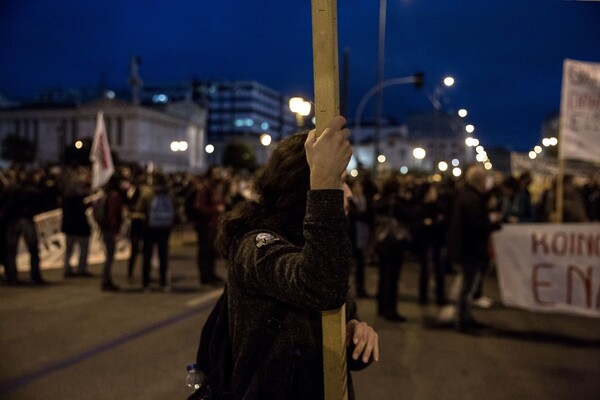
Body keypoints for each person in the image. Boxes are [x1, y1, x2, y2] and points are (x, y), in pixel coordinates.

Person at [215, 116, 379, 400]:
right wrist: (325, 186)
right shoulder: (255, 246)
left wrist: (354, 333)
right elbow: (320, 286)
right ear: (305, 189)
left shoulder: (318, 242)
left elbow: (334, 309)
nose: (349, 194)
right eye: (340, 181)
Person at [447, 165, 501, 333]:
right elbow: (476, 225)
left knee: (468, 286)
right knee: (467, 287)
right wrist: (493, 224)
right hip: (470, 249)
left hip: (469, 248)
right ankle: (463, 320)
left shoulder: (469, 196)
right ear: (480, 181)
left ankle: (466, 317)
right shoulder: (471, 199)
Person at [372, 173, 412, 322]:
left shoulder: (378, 200)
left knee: (383, 275)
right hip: (394, 242)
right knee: (393, 277)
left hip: (381, 240)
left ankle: (381, 306)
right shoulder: (395, 202)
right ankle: (391, 309)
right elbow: (408, 215)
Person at [2, 170, 47, 285]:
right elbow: (41, 203)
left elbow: (5, 205)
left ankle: (12, 277)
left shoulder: (11, 190)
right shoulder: (32, 191)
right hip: (26, 219)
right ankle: (35, 276)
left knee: (11, 251)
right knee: (33, 249)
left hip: (13, 221)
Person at [137, 172, 175, 292]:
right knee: (163, 254)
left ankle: (145, 283)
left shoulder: (147, 192)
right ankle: (164, 282)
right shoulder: (168, 192)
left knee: (147, 254)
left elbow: (139, 208)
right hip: (164, 227)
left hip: (150, 226)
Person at [412, 182, 447, 306]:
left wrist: (431, 223)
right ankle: (423, 297)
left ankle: (440, 297)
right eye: (433, 191)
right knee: (425, 271)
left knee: (440, 271)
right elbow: (417, 225)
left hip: (437, 242)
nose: (435, 194)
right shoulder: (420, 208)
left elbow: (442, 222)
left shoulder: (439, 206)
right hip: (426, 243)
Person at [190, 167, 225, 285]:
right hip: (205, 225)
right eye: (216, 173)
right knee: (205, 251)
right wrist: (214, 209)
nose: (219, 175)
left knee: (211, 251)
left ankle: (211, 274)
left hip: (214, 224)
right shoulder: (205, 189)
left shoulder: (216, 189)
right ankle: (205, 277)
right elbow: (199, 206)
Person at [60, 166, 93, 278]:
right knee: (82, 248)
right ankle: (81, 268)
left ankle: (67, 269)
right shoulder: (76, 198)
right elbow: (80, 209)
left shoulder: (66, 197)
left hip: (69, 227)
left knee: (69, 249)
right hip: (79, 228)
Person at [347, 177, 373, 298]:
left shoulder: (366, 200)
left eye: (360, 187)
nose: (359, 189)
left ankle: (361, 288)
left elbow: (370, 215)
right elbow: (354, 215)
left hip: (363, 235)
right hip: (352, 236)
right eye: (357, 187)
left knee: (361, 264)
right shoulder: (350, 200)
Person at [99, 175, 124, 291]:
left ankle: (107, 280)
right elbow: (112, 215)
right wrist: (116, 231)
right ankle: (106, 281)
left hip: (106, 229)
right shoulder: (114, 196)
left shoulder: (107, 194)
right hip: (110, 230)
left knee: (109, 256)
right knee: (110, 256)